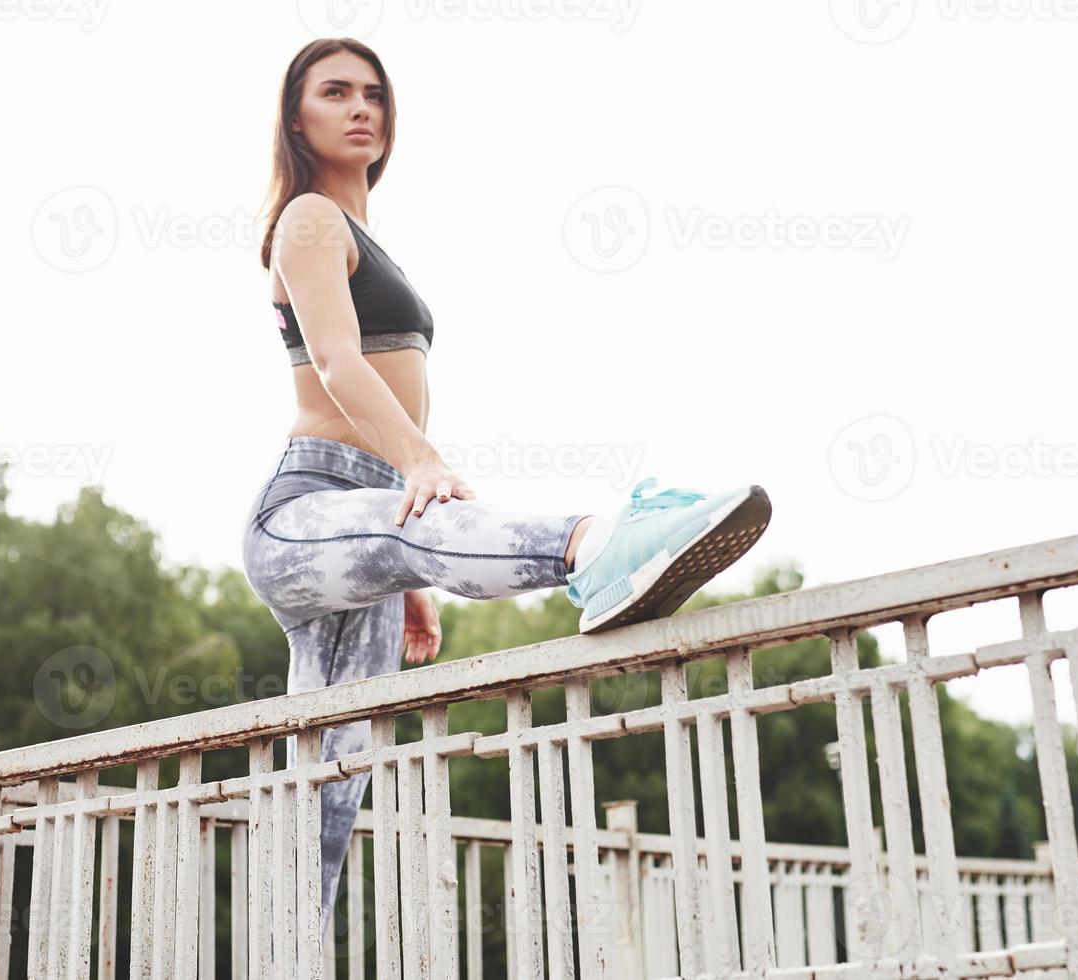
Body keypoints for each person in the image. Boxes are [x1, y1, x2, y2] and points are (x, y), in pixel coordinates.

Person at [239, 37, 772, 946]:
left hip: (365, 520)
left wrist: (401, 576)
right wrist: (419, 466)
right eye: (336, 93)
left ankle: (285, 960)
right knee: (433, 525)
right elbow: (336, 365)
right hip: (303, 513)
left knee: (334, 780)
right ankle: (596, 546)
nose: (362, 107)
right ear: (298, 118)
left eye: (374, 93)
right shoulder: (309, 220)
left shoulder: (359, 234)